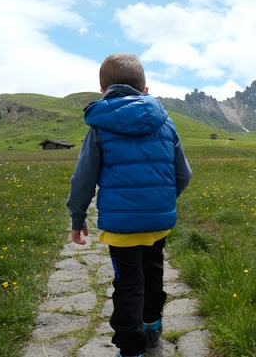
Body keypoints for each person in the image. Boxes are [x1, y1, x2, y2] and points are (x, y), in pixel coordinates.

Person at [66, 53, 192, 357]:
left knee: (128, 287)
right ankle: (152, 328)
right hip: (157, 224)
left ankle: (131, 349)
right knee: (153, 274)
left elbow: (83, 179)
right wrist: (161, 201)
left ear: (103, 91)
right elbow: (183, 174)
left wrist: (78, 217)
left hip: (121, 229)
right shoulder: (166, 123)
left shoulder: (99, 126)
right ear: (145, 89)